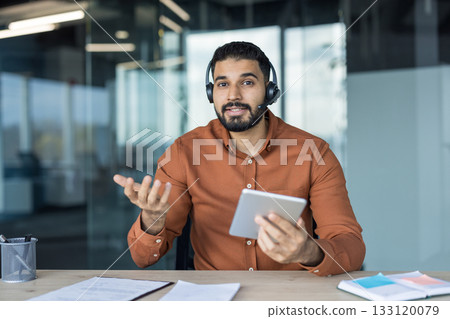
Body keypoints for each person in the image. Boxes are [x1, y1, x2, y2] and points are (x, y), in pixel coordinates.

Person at [114, 41, 365, 276]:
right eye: (222, 84)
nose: (233, 95)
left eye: (247, 83)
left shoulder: (314, 153)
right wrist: (152, 219)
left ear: (269, 90)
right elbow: (142, 257)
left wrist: (308, 252)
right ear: (212, 93)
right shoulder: (184, 152)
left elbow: (351, 246)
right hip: (214, 300)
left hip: (288, 297)